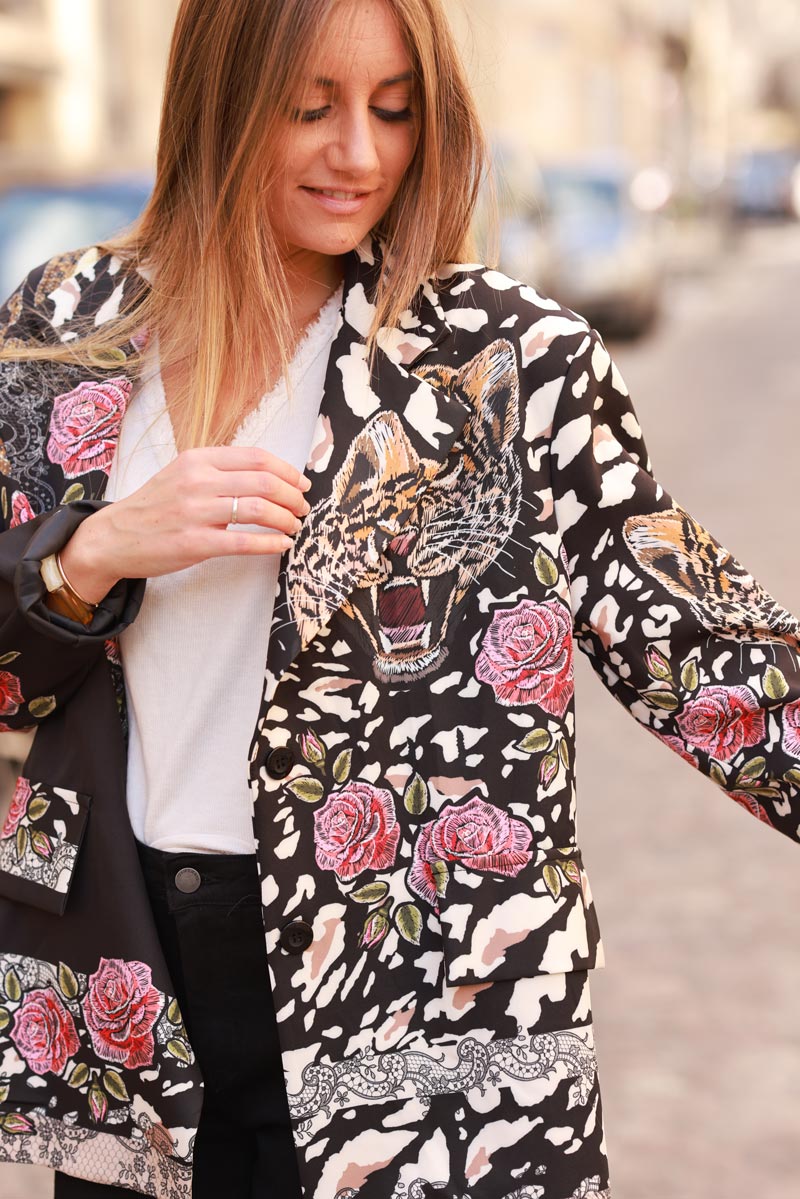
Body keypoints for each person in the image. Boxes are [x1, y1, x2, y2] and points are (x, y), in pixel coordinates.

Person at [0, 1, 799, 1197]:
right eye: (309, 107)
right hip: (132, 1002)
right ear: (219, 98)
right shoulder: (65, 328)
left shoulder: (507, 359)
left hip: (421, 1005)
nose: (360, 156)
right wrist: (96, 553)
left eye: (393, 109)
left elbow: (697, 644)